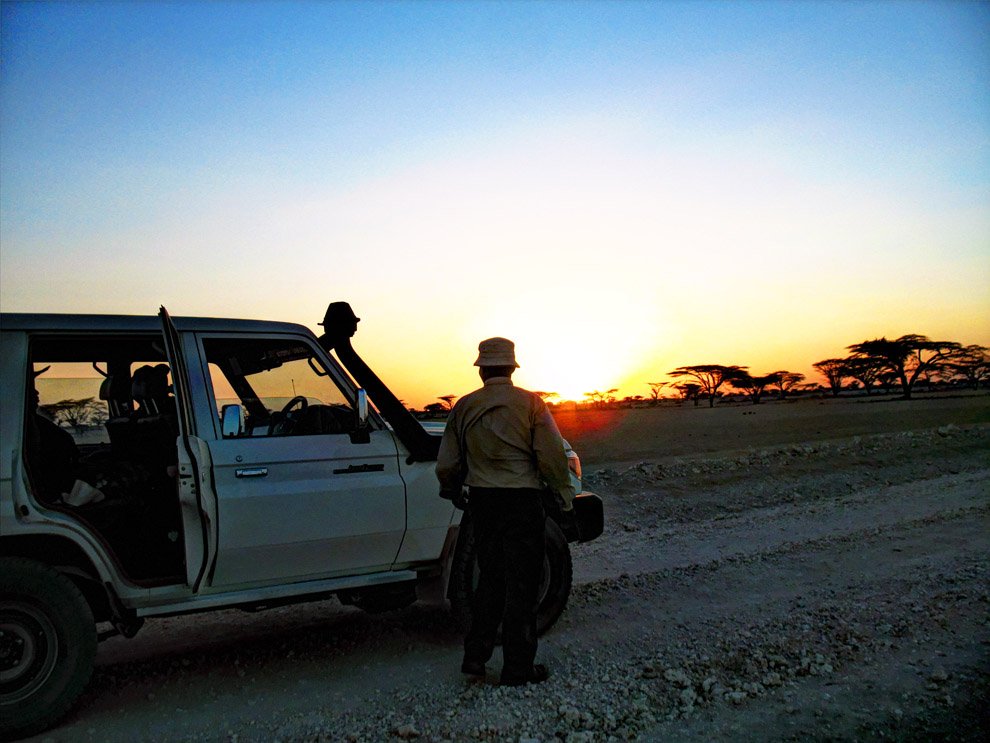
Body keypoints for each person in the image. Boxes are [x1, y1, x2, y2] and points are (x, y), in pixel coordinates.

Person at [436, 337, 575, 686]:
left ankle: (475, 657)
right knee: (522, 587)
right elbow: (551, 457)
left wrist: (451, 489)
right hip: (522, 502)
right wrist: (563, 496)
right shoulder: (531, 404)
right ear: (512, 368)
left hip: (483, 503)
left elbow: (448, 462)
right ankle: (517, 668)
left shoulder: (464, 406)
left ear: (481, 370)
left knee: (490, 582)